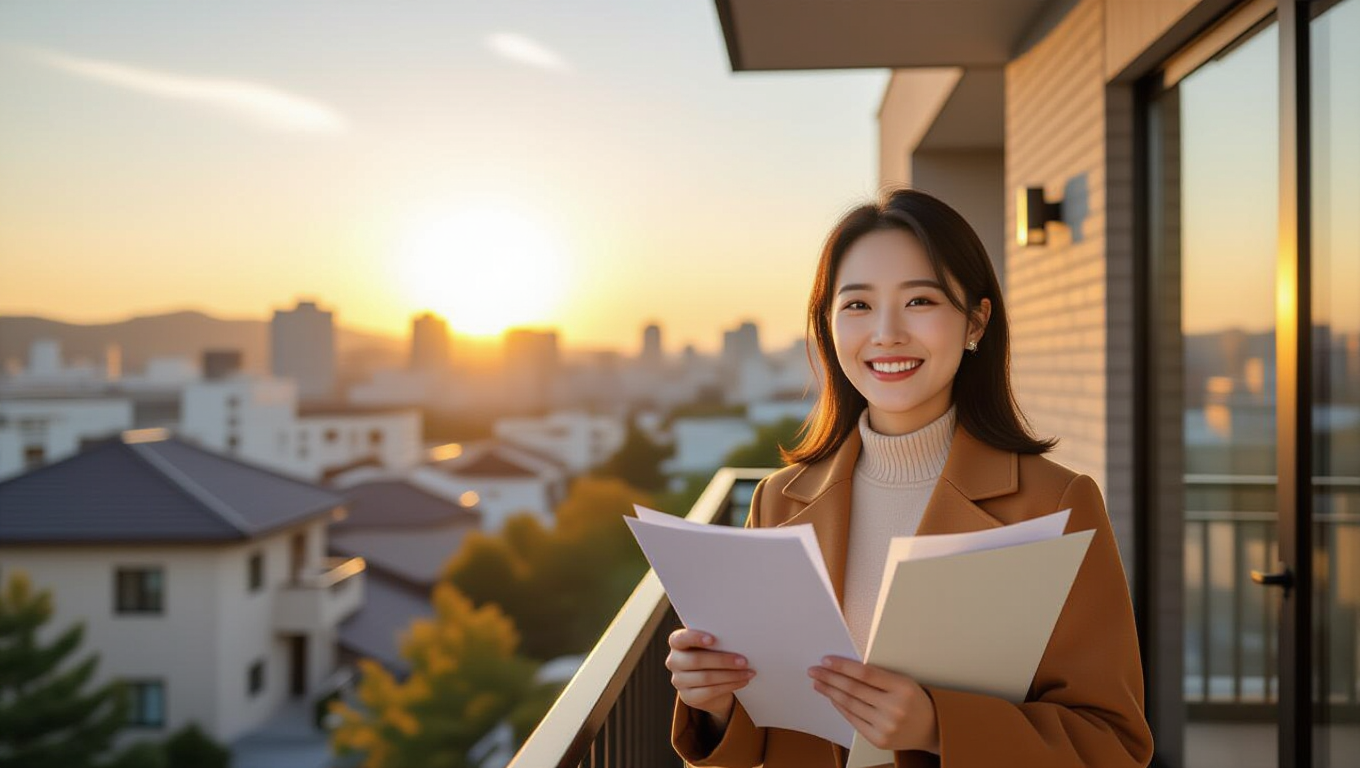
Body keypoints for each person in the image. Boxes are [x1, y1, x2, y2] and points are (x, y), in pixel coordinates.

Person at [664, 188, 1154, 767]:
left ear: (975, 320)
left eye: (920, 301)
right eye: (858, 305)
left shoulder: (1055, 503)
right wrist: (715, 702)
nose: (887, 333)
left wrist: (940, 727)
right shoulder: (778, 500)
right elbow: (772, 736)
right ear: (828, 327)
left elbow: (1113, 744)